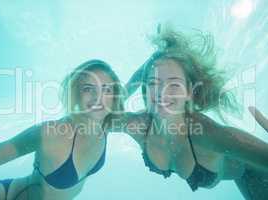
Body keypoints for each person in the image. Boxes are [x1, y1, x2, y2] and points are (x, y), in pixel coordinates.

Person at [106, 28, 268, 200]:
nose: (162, 93)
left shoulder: (207, 134)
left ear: (189, 92)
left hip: (256, 174)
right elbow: (98, 119)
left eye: (174, 84)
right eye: (153, 83)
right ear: (144, 92)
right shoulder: (138, 126)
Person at [0, 59, 124, 200]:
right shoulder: (50, 133)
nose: (98, 98)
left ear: (114, 96)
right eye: (88, 89)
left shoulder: (105, 124)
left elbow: (134, 84)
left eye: (107, 90)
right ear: (76, 93)